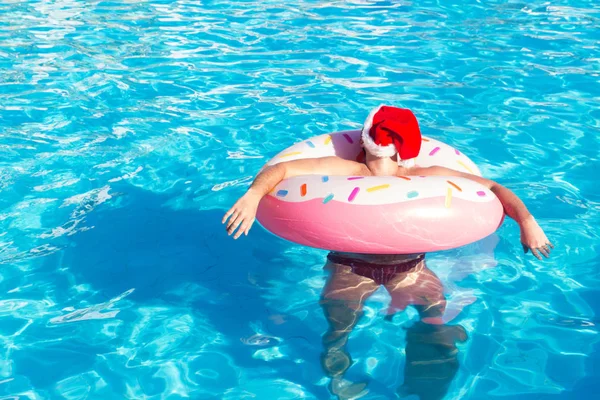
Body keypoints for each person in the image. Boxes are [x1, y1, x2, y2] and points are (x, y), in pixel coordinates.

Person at [223, 105, 554, 260]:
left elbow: (282, 170)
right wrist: (527, 221)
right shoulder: (427, 174)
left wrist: (254, 194)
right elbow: (495, 187)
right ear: (409, 150)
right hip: (404, 265)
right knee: (434, 317)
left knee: (337, 330)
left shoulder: (340, 168)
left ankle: (338, 378)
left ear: (363, 141)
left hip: (348, 266)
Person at [320, 251, 468, 399]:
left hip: (408, 265)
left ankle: (428, 388)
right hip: (350, 263)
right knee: (339, 329)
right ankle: (337, 379)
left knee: (434, 319)